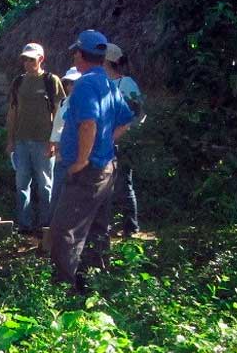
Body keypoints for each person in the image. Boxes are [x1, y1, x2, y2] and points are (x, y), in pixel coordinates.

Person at [47, 30, 134, 293]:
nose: (74, 55)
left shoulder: (85, 84)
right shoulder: (107, 81)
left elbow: (88, 124)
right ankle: (95, 284)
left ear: (82, 55)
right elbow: (125, 121)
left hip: (88, 171)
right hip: (106, 168)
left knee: (65, 230)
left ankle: (64, 291)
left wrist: (81, 161)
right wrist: (104, 145)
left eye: (76, 52)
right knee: (97, 228)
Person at [5, 43, 66, 238]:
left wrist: (55, 140)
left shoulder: (51, 81)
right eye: (25, 59)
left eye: (31, 59)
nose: (27, 62)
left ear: (41, 59)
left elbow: (59, 112)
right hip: (22, 140)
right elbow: (13, 111)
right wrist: (10, 139)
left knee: (45, 184)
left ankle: (45, 225)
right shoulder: (18, 82)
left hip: (44, 141)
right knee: (22, 184)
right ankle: (25, 225)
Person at [104, 43, 145, 238]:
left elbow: (138, 113)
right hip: (103, 142)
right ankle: (106, 224)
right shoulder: (100, 82)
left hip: (123, 142)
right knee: (104, 184)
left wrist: (124, 133)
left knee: (123, 183)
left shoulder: (126, 84)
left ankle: (131, 226)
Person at [46, 67, 81, 227]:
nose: (71, 86)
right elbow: (57, 126)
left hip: (78, 153)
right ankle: (52, 226)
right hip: (62, 151)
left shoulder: (85, 105)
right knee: (58, 189)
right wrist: (53, 144)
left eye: (75, 83)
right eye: (69, 83)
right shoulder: (63, 102)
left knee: (75, 192)